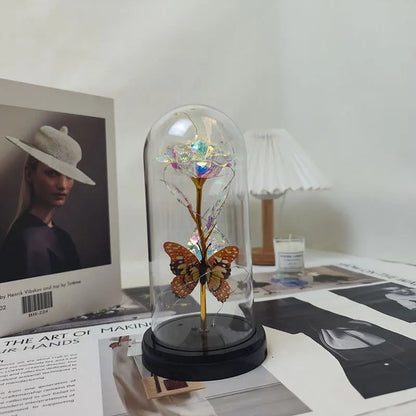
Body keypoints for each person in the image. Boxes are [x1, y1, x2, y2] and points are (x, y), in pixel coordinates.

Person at [0, 125, 95, 282]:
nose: (63, 185)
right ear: (29, 173)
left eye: (69, 176)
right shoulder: (26, 239)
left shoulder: (63, 237)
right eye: (52, 173)